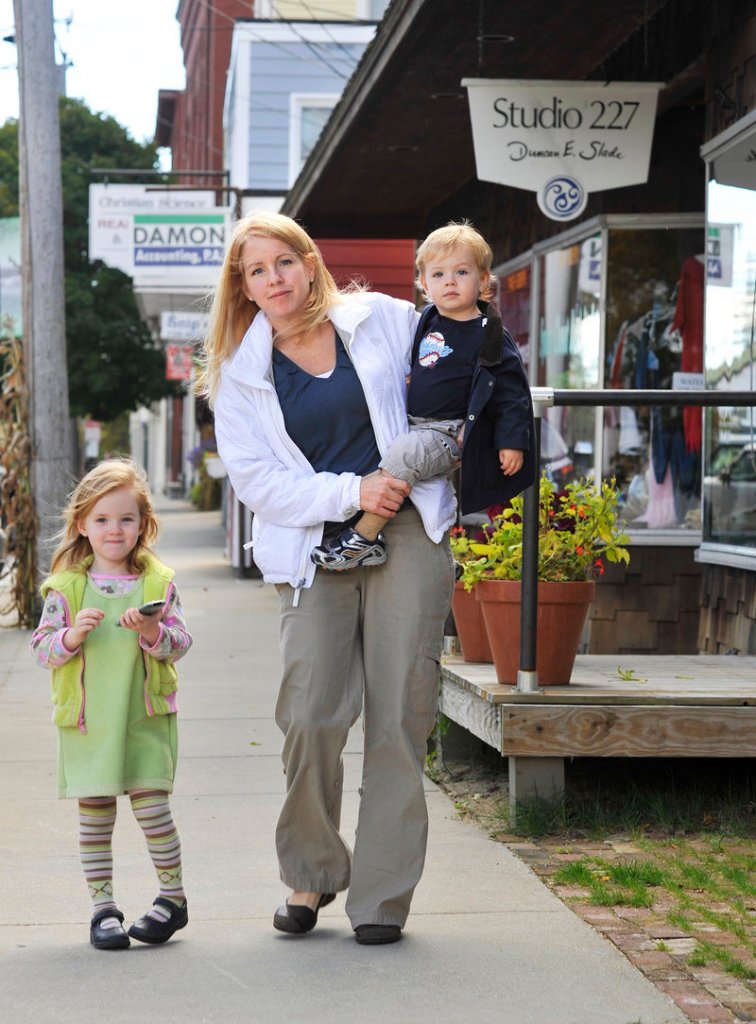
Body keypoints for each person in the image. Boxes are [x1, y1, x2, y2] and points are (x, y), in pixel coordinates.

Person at [198, 211, 456, 945]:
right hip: (315, 544)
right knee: (311, 712)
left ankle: (380, 898)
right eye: (257, 269)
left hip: (407, 529)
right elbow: (258, 481)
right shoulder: (240, 373)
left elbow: (458, 353)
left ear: (309, 263)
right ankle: (310, 870)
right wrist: (353, 492)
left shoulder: (381, 319)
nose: (274, 278)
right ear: (242, 286)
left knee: (399, 719)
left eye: (284, 261)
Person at [30, 458, 192, 951]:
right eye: (101, 520)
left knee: (153, 811)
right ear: (82, 524)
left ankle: (173, 899)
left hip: (143, 716)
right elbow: (43, 649)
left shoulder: (157, 584)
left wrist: (152, 631)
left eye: (125, 519)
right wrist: (71, 636)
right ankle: (103, 909)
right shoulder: (67, 589)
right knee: (96, 816)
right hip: (89, 723)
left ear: (143, 523)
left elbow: (181, 641)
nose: (114, 530)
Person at [311, 221, 536, 570]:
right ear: (424, 284)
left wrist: (511, 441)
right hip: (415, 423)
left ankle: (363, 538)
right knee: (388, 453)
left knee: (404, 454)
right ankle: (417, 550)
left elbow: (512, 394)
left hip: (451, 431)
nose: (450, 281)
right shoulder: (427, 320)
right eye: (438, 274)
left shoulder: (489, 334)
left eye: (462, 272)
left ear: (484, 280)